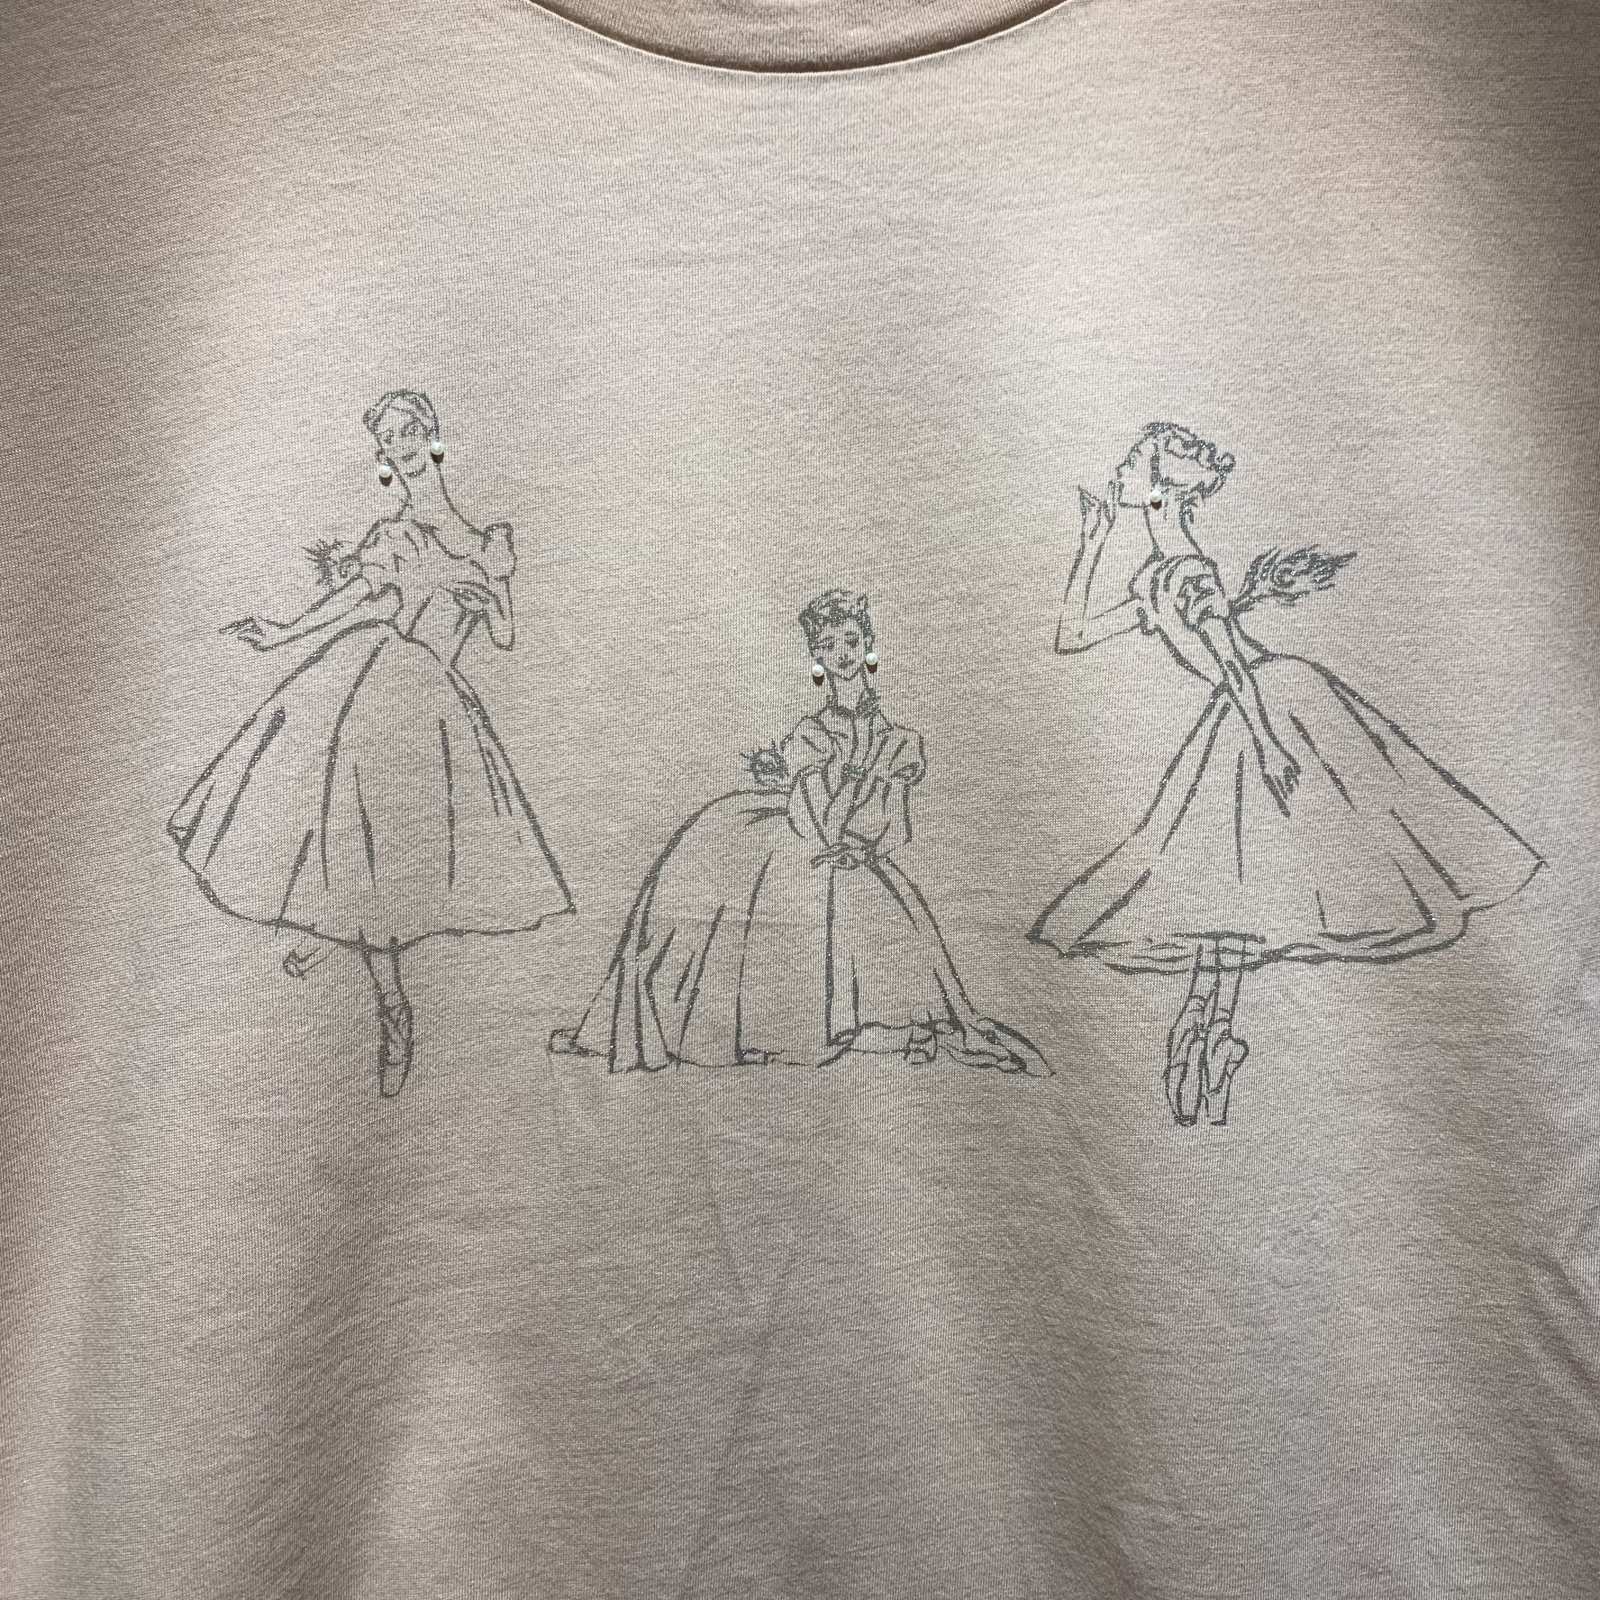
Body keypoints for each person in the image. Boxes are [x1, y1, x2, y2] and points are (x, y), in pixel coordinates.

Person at [1030, 422, 1542, 1126]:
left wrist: (1269, 742)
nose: (1119, 473)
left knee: (1253, 869)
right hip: (1248, 707)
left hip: (1266, 703)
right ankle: (1210, 1039)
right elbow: (1074, 634)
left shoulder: (1184, 572)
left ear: (1158, 492)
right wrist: (1092, 543)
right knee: (1229, 876)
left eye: (1131, 466)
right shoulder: (1158, 576)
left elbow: (1232, 662)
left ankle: (1207, 1039)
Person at [167, 389, 573, 1097]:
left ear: (432, 434)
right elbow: (352, 601)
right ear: (383, 456)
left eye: (409, 430)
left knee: (401, 854)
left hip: (436, 705)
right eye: (388, 439)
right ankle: (392, 1007)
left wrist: (498, 586)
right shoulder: (395, 535)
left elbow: (504, 636)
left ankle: (337, 940)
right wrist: (283, 634)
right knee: (357, 841)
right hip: (374, 685)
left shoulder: (488, 542)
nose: (401, 445)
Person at [552, 588, 1047, 1075]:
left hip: (849, 845)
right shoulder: (810, 734)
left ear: (868, 644)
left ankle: (897, 1029)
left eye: (851, 640)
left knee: (880, 928)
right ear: (817, 658)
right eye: (829, 645)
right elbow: (809, 808)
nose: (842, 654)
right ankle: (763, 1026)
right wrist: (804, 787)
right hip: (803, 835)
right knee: (732, 875)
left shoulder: (896, 740)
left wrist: (861, 842)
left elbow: (891, 815)